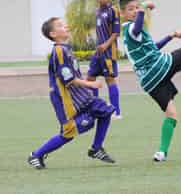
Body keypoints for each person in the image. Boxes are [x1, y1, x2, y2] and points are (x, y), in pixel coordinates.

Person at [119, 0, 181, 162]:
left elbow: (154, 47)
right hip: (158, 68)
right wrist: (144, 7)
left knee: (172, 115)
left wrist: (172, 35)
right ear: (122, 13)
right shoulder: (131, 28)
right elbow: (137, 27)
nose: (135, 11)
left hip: (149, 81)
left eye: (136, 8)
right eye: (131, 9)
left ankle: (161, 152)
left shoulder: (130, 34)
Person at [28, 17, 116, 170]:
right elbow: (68, 79)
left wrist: (87, 87)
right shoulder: (59, 51)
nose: (66, 26)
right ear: (53, 34)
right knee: (69, 133)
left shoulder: (66, 48)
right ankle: (36, 154)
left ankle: (96, 149)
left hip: (81, 96)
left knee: (105, 111)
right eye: (61, 25)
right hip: (65, 100)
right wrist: (91, 84)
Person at [87, 0, 122, 119]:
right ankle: (94, 108)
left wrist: (105, 45)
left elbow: (116, 33)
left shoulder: (113, 10)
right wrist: (98, 47)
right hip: (98, 52)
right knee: (90, 78)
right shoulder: (97, 12)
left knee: (110, 80)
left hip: (108, 52)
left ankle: (116, 112)